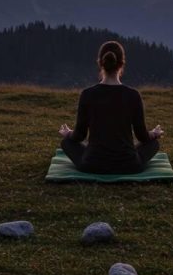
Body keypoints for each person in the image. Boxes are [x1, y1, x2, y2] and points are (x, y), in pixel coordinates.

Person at [58, 40, 165, 174]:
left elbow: (79, 136)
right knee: (153, 144)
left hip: (92, 165)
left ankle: (92, 151)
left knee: (66, 143)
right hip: (129, 165)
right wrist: (154, 134)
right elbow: (143, 137)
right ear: (121, 64)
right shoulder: (133, 95)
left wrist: (68, 134)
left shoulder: (87, 94)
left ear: (100, 63)